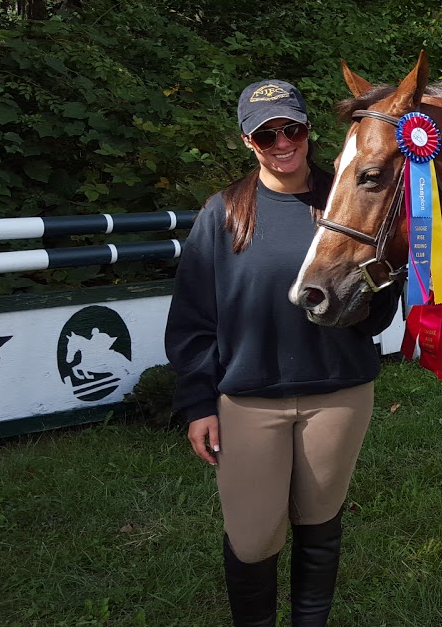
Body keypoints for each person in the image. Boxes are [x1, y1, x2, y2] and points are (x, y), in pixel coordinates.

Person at [166, 79, 397, 627]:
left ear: (308, 129)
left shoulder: (347, 198)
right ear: (249, 142)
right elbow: (193, 321)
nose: (282, 142)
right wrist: (199, 402)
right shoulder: (224, 213)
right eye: (266, 134)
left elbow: (378, 318)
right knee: (252, 537)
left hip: (337, 393)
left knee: (319, 522)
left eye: (291, 128)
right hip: (248, 401)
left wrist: (384, 282)